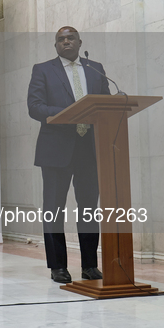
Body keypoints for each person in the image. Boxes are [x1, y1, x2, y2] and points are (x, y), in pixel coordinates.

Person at [27, 26, 110, 284]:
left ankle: (89, 266)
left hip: (90, 149)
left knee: (88, 210)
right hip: (56, 149)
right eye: (60, 39)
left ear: (79, 42)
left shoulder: (95, 68)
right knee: (54, 209)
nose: (65, 42)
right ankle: (58, 266)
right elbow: (35, 106)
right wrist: (69, 112)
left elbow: (106, 103)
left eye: (70, 38)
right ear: (55, 46)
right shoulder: (42, 69)